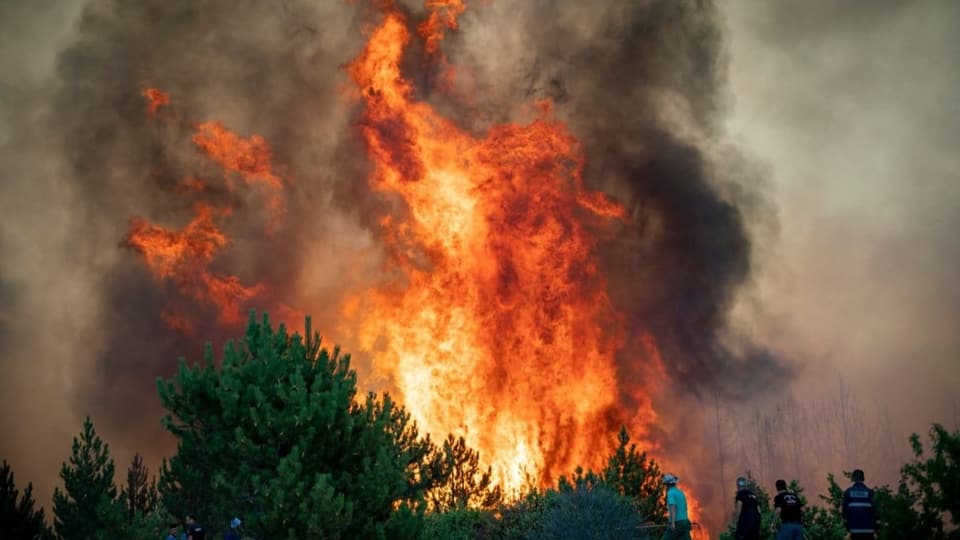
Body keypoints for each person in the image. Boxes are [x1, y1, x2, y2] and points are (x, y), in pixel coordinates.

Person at [842, 469, 878, 539]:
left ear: (853, 479)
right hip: (869, 532)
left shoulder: (848, 493)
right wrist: (876, 530)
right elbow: (876, 513)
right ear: (863, 478)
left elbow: (844, 514)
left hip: (853, 532)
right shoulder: (870, 493)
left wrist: (847, 530)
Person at [661, 473, 693, 540]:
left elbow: (673, 507)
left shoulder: (670, 493)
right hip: (685, 522)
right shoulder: (680, 492)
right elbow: (685, 507)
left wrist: (672, 523)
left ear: (667, 484)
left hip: (677, 522)